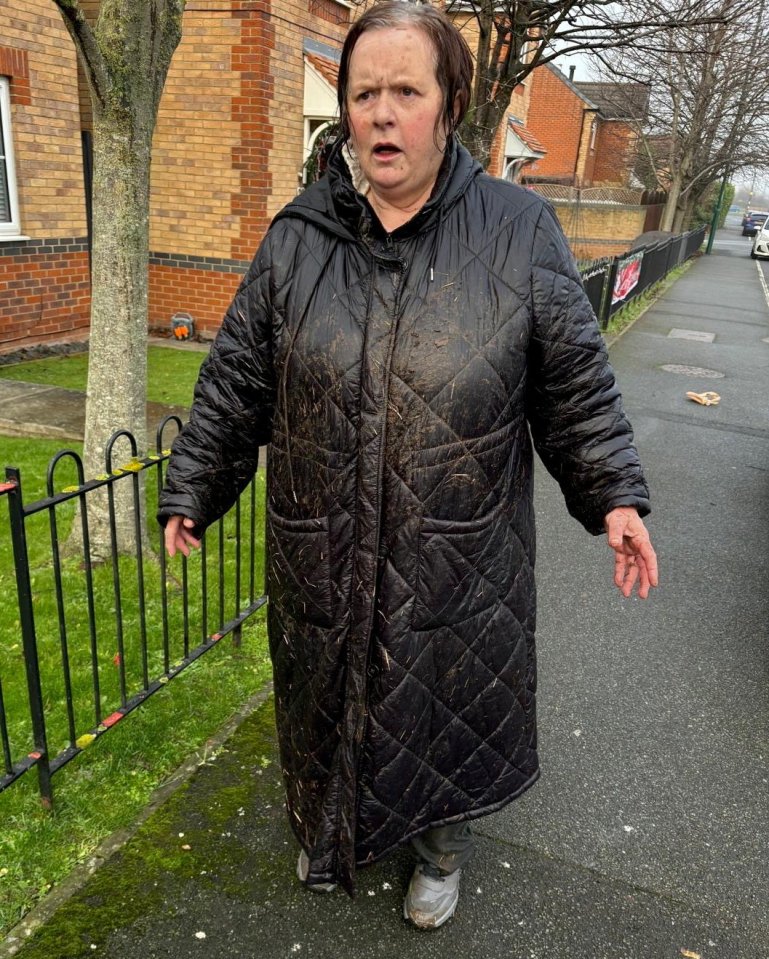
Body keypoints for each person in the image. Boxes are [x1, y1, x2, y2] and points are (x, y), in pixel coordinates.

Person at [158, 1, 658, 931]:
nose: (382, 113)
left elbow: (576, 389)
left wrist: (614, 496)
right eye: (364, 93)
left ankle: (436, 847)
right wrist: (194, 483)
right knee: (326, 682)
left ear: (449, 105)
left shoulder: (519, 232)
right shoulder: (297, 238)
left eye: (406, 91)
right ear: (344, 110)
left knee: (440, 695)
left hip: (456, 549)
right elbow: (235, 380)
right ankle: (333, 818)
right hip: (324, 540)